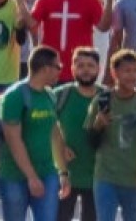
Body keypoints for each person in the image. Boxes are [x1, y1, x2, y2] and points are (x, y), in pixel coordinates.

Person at [0, 45, 70, 221]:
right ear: (46, 68)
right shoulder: (14, 96)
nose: (60, 72)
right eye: (58, 67)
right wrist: (31, 177)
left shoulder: (49, 95)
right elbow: (13, 140)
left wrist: (64, 172)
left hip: (46, 173)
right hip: (14, 176)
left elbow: (55, 133)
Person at [16, 0, 103, 83]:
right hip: (49, 71)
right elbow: (32, 24)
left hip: (79, 72)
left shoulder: (90, 1)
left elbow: (103, 27)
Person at [87, 49, 136, 221]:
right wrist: (98, 126)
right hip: (106, 177)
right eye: (127, 71)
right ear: (114, 73)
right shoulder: (102, 100)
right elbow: (91, 141)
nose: (132, 76)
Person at [55, 47, 100, 221]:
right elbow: (43, 128)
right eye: (80, 65)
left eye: (90, 65)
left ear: (99, 69)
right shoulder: (60, 95)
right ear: (72, 69)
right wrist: (60, 147)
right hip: (65, 175)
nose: (86, 70)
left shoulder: (107, 97)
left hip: (97, 177)